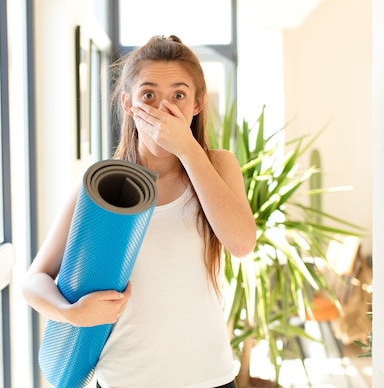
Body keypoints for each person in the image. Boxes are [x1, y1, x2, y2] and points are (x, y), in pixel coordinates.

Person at [22, 35, 256, 388]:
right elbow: (34, 280)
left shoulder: (217, 166)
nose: (164, 109)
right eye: (149, 95)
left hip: (208, 376)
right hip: (124, 379)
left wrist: (188, 151)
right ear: (128, 103)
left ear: (197, 104)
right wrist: (71, 314)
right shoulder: (102, 184)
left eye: (178, 95)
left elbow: (241, 243)